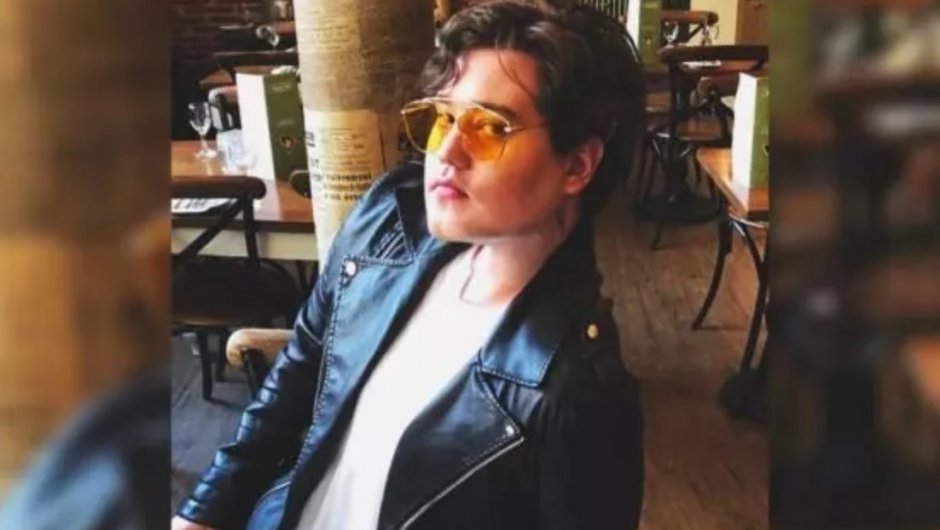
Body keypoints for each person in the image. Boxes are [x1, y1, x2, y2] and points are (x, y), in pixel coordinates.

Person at [173, 1, 646, 528]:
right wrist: (203, 512)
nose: (446, 150)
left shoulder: (579, 392)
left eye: (490, 127)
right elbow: (299, 376)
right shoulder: (387, 218)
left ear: (577, 165)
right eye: (443, 117)